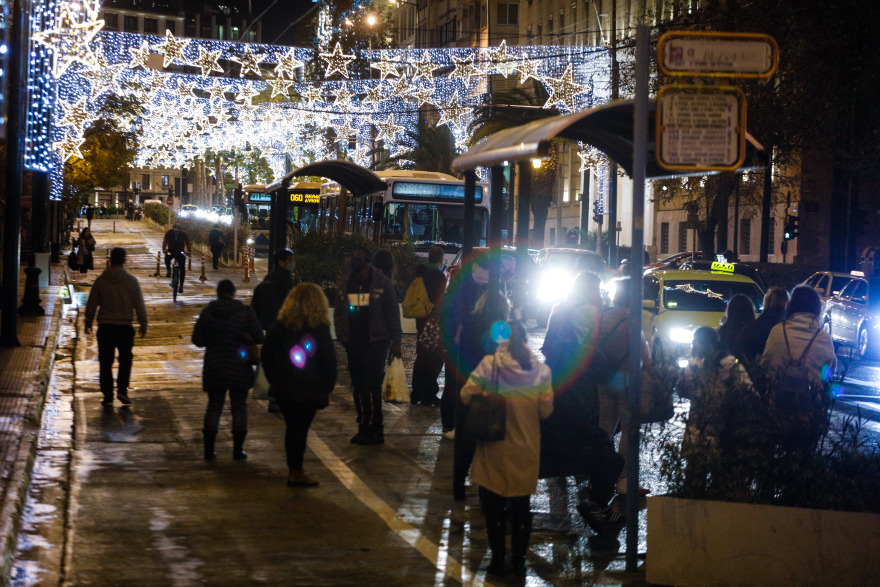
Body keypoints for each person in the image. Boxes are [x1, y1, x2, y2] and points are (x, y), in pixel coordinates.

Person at [461, 321, 554, 577]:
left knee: (493, 506)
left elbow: (466, 395)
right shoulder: (540, 371)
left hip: (494, 447)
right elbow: (545, 411)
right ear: (525, 341)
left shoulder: (490, 365)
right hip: (525, 448)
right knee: (521, 506)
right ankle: (519, 560)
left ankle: (498, 559)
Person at [262, 284, 337, 487]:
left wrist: (274, 380)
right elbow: (328, 360)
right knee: (300, 429)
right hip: (310, 390)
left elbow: (266, 356)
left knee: (293, 428)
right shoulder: (320, 329)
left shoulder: (280, 326)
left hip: (285, 388)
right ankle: (296, 471)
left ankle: (295, 469)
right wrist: (327, 387)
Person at [333, 246, 402, 446]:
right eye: (353, 256)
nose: (354, 260)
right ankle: (363, 426)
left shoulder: (382, 283)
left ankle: (376, 428)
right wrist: (342, 336)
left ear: (368, 261)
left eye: (358, 257)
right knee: (359, 385)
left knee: (372, 385)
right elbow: (339, 311)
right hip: (354, 342)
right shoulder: (347, 283)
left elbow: (392, 314)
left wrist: (396, 341)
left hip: (376, 342)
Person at [192, 280, 264, 461]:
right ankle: (238, 450)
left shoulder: (208, 313)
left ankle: (209, 450)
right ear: (233, 293)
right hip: (240, 367)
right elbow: (259, 336)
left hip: (214, 366)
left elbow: (197, 340)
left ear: (218, 293)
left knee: (214, 407)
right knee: (239, 407)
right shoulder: (245, 312)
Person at [760, 285, 836, 450]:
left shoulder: (777, 332)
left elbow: (764, 365)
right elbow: (829, 373)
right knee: (805, 458)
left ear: (791, 305)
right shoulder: (823, 338)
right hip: (809, 409)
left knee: (775, 458)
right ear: (817, 308)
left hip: (779, 407)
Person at [596, 277, 652, 496]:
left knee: (604, 430)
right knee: (629, 433)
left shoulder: (603, 317)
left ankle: (598, 476)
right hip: (628, 381)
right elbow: (645, 357)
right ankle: (624, 479)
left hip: (605, 379)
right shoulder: (633, 321)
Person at [84, 248, 148, 407]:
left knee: (105, 362)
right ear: (124, 260)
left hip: (105, 327)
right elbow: (139, 304)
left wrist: (88, 322)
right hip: (124, 327)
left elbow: (92, 303)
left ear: (110, 260)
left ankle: (107, 395)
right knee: (125, 360)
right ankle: (122, 391)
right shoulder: (131, 281)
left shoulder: (101, 280)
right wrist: (143, 323)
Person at [439, 253, 490, 439]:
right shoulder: (462, 288)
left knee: (465, 385)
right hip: (459, 345)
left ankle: (458, 424)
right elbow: (449, 316)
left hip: (473, 346)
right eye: (483, 270)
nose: (485, 275)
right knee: (454, 385)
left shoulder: (483, 288)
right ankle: (450, 425)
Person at [407, 246, 448, 406]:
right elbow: (440, 301)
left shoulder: (421, 273)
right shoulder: (438, 276)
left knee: (422, 357)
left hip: (421, 320)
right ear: (442, 259)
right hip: (433, 323)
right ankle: (429, 394)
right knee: (435, 359)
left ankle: (417, 392)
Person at [732, 286, 790, 366]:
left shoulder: (751, 328)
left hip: (754, 375)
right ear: (787, 304)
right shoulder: (789, 330)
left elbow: (737, 355)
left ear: (765, 302)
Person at [252, 248, 297, 331]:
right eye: (290, 260)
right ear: (281, 262)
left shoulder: (270, 276)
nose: (293, 263)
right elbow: (288, 299)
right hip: (280, 321)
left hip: (268, 320)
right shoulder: (284, 276)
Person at [162, 224, 192, 293]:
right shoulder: (169, 233)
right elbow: (165, 241)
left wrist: (189, 251)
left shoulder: (184, 234)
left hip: (180, 251)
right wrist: (164, 250)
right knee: (167, 259)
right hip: (171, 250)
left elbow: (188, 242)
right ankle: (168, 271)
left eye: (177, 231)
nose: (176, 232)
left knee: (182, 269)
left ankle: (181, 285)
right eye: (175, 231)